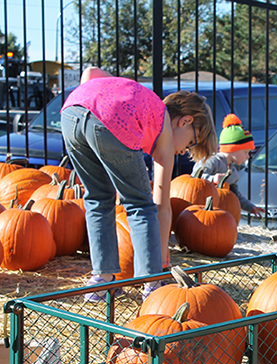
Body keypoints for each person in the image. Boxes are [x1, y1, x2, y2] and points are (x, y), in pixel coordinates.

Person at [61, 67, 217, 297]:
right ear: (185, 121)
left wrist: (91, 93)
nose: (184, 151)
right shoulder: (163, 129)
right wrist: (161, 262)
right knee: (140, 205)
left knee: (97, 198)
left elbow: (90, 72)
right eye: (192, 142)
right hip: (111, 120)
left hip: (72, 113)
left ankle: (101, 283)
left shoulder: (141, 99)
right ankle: (151, 284)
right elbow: (161, 207)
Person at [191, 113, 264, 217]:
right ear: (234, 149)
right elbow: (194, 178)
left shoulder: (233, 172)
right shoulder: (213, 161)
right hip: (201, 210)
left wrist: (250, 207)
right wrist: (212, 178)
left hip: (218, 213)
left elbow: (235, 195)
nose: (248, 156)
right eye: (245, 152)